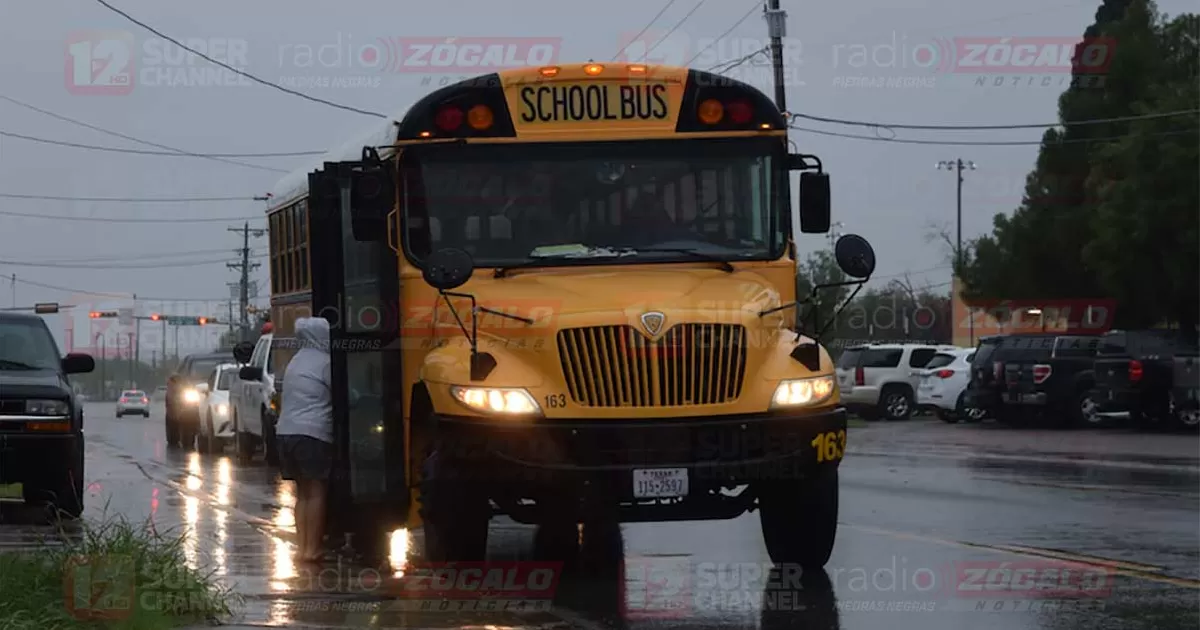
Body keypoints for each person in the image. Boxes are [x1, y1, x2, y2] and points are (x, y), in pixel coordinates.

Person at [276, 317, 334, 564]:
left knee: (302, 494)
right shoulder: (324, 362)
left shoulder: (296, 362)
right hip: (313, 434)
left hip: (286, 433)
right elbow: (341, 391)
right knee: (317, 492)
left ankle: (301, 548)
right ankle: (313, 549)